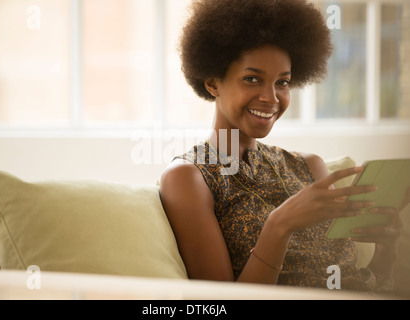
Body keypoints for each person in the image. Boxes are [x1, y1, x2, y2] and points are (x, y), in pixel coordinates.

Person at [159, 0, 402, 291]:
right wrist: (279, 226)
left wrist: (386, 248)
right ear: (213, 83)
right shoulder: (189, 177)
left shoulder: (309, 166)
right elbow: (220, 302)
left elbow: (355, 280)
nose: (271, 97)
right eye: (252, 79)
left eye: (282, 83)